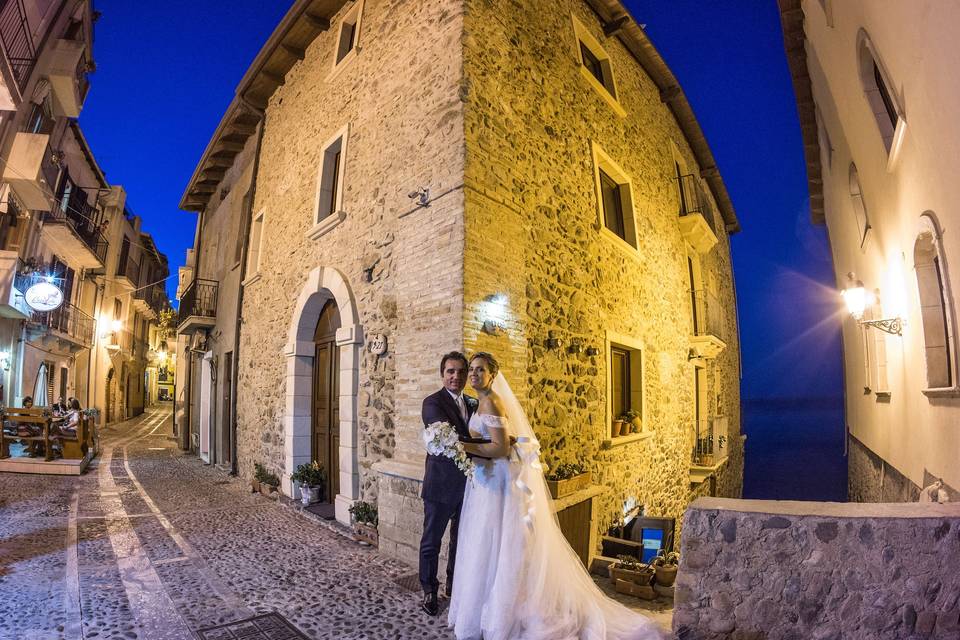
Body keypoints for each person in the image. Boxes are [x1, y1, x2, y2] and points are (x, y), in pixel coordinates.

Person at [448, 352, 663, 640]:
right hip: (488, 483)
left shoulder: (491, 401)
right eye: (471, 369)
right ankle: (491, 610)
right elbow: (503, 441)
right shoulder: (483, 401)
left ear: (492, 374)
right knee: (490, 545)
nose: (473, 374)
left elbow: (498, 449)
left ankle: (502, 616)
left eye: (479, 369)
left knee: (499, 545)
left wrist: (462, 446)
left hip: (497, 485)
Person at [418, 351, 477, 616]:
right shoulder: (432, 403)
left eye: (461, 372)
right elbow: (446, 436)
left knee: (460, 540)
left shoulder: (474, 403)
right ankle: (429, 590)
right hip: (440, 484)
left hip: (469, 486)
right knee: (432, 541)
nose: (456, 376)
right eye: (451, 371)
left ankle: (454, 585)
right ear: (443, 374)